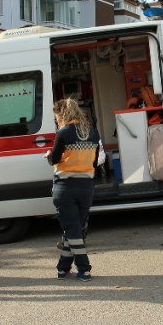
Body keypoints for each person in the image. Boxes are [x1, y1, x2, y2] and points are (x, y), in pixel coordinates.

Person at [45, 98, 100, 282]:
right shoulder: (93, 133)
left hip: (65, 189)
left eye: (56, 117)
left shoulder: (64, 133)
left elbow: (54, 159)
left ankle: (84, 269)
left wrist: (48, 155)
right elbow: (94, 162)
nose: (56, 120)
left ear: (62, 115)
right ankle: (62, 268)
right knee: (75, 229)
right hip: (86, 188)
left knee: (73, 231)